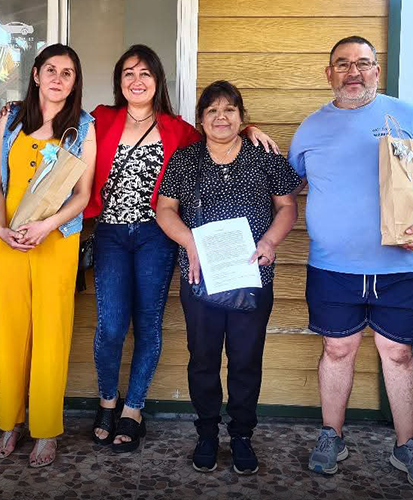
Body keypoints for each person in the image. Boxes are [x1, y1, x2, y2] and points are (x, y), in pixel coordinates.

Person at [82, 45, 279, 452]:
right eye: (129, 73)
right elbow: (63, 124)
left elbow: (218, 132)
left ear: (158, 81)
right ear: (119, 81)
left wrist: (249, 129)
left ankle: (133, 409)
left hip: (157, 236)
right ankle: (107, 401)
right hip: (111, 234)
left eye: (145, 73)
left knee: (148, 324)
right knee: (112, 326)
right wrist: (19, 107)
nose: (137, 80)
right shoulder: (102, 118)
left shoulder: (177, 129)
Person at [287, 36, 413, 490]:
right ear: (329, 74)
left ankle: (407, 445)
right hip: (332, 268)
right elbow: (287, 186)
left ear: (377, 70)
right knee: (337, 350)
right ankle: (331, 435)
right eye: (342, 64)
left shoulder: (405, 115)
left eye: (363, 63)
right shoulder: (310, 128)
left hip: (401, 267)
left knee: (398, 354)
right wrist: (246, 134)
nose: (353, 72)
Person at [156, 80, 301, 474]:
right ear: (201, 120)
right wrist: (189, 242)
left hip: (252, 275)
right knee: (203, 359)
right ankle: (206, 433)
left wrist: (270, 241)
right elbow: (165, 209)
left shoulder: (263, 157)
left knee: (245, 359)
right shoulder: (185, 159)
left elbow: (287, 206)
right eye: (212, 111)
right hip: (200, 276)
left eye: (229, 110)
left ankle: (241, 435)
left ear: (241, 116)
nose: (221, 117)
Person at [0, 43, 97, 468]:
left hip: (56, 241)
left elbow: (83, 195)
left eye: (67, 73)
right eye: (50, 70)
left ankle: (47, 429)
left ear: (75, 81)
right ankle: (9, 422)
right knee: (11, 332)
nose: (57, 78)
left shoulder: (83, 127)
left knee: (52, 333)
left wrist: (46, 226)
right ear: (35, 75)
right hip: (9, 241)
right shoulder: (12, 119)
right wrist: (1, 227)